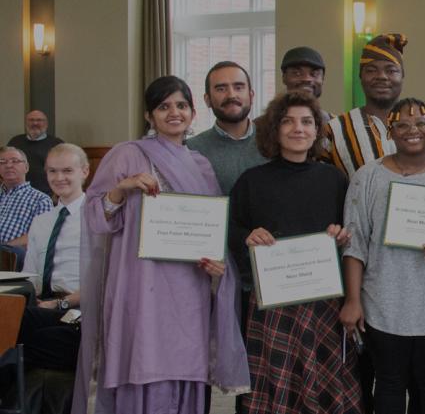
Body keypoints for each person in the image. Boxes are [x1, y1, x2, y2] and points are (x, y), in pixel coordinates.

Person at [73, 75, 248, 413]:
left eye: (181, 105)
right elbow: (95, 217)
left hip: (188, 287)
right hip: (140, 285)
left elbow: (210, 226)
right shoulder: (127, 154)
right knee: (144, 362)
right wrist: (121, 189)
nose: (174, 113)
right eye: (163, 106)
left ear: (193, 113)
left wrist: (216, 264)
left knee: (187, 367)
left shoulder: (200, 165)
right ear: (149, 116)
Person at [228, 91, 360, 413]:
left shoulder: (334, 179)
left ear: (317, 130)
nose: (297, 128)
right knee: (275, 387)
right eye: (287, 121)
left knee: (324, 384)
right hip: (272, 304)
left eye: (306, 121)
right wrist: (248, 236)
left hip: (323, 303)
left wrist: (340, 234)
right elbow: (230, 230)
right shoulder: (252, 181)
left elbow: (349, 232)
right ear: (274, 130)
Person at [340, 98, 425, 414]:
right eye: (403, 125)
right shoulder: (367, 178)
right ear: (390, 133)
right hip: (382, 302)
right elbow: (355, 245)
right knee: (389, 383)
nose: (414, 130)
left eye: (422, 123)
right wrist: (353, 300)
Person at [322, 33, 425, 177]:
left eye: (391, 70)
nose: (382, 76)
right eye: (371, 70)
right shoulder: (335, 130)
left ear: (402, 75)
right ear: (360, 76)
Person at [17, 143, 89, 377]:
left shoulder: (98, 218)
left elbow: (105, 279)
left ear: (84, 172)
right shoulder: (41, 221)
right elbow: (30, 276)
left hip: (79, 311)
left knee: (26, 340)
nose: (59, 178)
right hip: (41, 307)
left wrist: (61, 303)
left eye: (67, 171)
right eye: (52, 171)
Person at [186, 61, 268, 195]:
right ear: (207, 100)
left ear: (251, 96)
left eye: (239, 87)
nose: (231, 95)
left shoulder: (274, 143)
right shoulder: (191, 150)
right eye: (221, 89)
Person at [0, 146, 54, 269]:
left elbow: (39, 236)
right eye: (2, 162)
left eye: (14, 161)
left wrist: (4, 249)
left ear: (26, 167)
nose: (8, 165)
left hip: (13, 257)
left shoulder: (41, 199)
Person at [7, 110, 64, 195]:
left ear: (46, 124)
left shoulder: (57, 144)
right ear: (26, 123)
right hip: (17, 192)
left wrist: (57, 194)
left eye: (39, 120)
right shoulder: (15, 142)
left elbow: (64, 171)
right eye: (31, 120)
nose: (35, 123)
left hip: (48, 194)